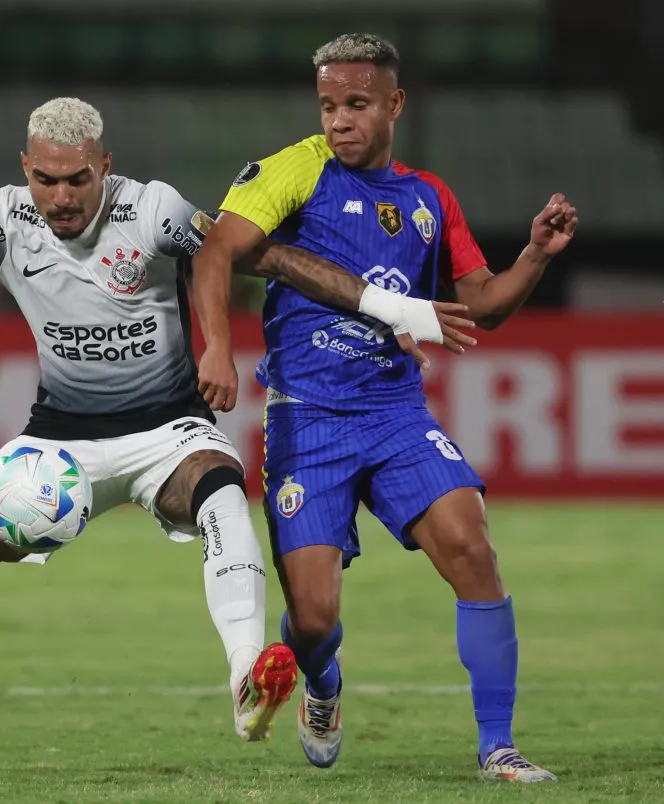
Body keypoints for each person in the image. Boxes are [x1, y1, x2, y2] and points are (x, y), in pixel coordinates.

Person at [0, 97, 473, 776]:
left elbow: (248, 256)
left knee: (222, 493)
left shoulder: (153, 210)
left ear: (104, 167)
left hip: (166, 432)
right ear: (25, 168)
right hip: (57, 443)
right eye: (45, 179)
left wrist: (375, 314)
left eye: (77, 179)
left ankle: (245, 679)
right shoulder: (3, 220)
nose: (59, 196)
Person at [190, 35, 578, 782]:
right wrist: (216, 349)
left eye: (357, 105)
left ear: (395, 105)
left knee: (473, 550)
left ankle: (497, 745)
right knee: (313, 618)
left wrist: (534, 255)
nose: (339, 120)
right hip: (307, 417)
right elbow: (216, 251)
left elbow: (482, 306)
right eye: (330, 105)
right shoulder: (296, 171)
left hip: (397, 414)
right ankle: (324, 686)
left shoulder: (429, 198)